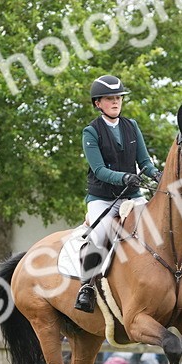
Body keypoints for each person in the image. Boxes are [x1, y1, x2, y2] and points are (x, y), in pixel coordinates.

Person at [74, 74, 160, 313]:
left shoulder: (131, 126)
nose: (116, 102)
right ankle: (86, 287)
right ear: (98, 103)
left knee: (154, 228)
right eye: (110, 98)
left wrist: (156, 175)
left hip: (132, 195)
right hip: (102, 197)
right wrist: (123, 177)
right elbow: (99, 170)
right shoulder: (90, 132)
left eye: (119, 98)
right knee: (100, 236)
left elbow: (144, 161)